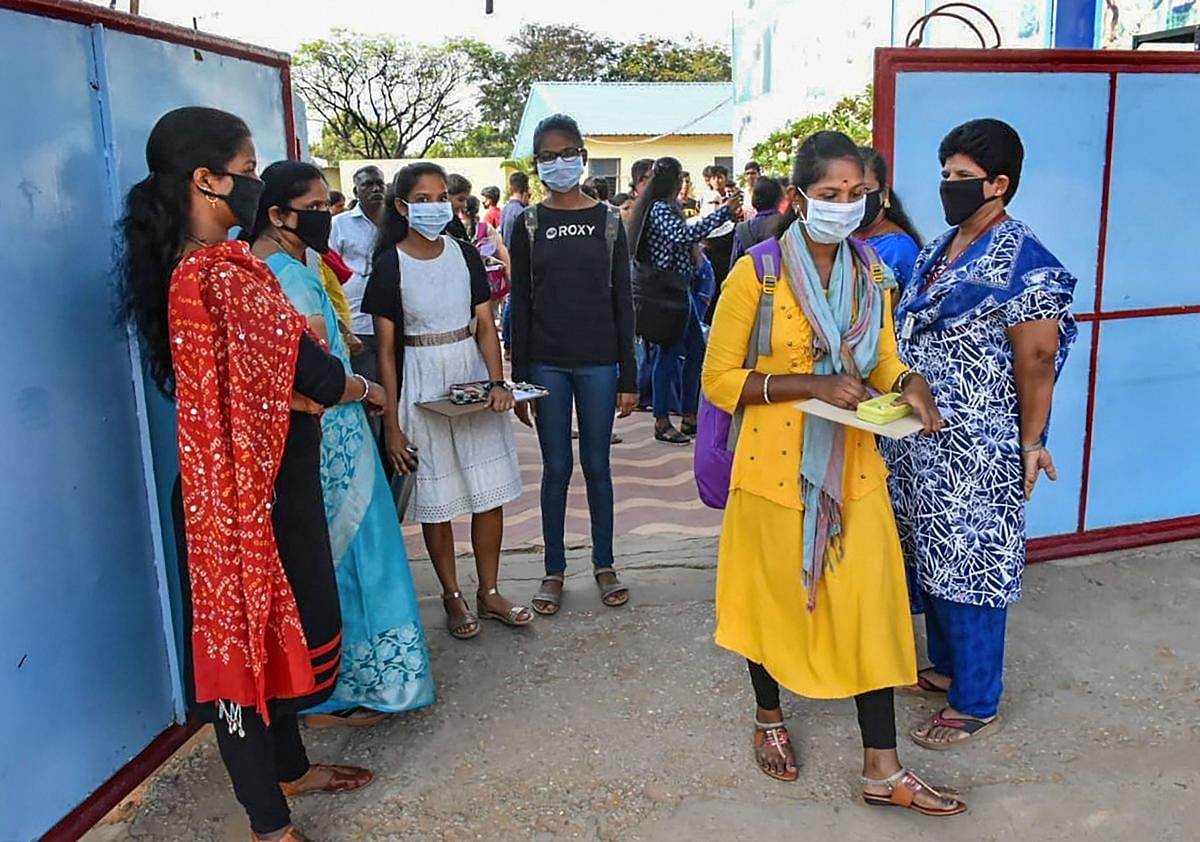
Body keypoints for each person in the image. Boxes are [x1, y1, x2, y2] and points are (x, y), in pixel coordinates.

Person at [119, 107, 387, 842]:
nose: (256, 181)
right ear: (206, 179)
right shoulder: (221, 275)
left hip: (254, 485)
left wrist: (305, 381)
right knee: (242, 649)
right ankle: (270, 826)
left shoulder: (203, 268)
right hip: (245, 499)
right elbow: (317, 376)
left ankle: (290, 768)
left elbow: (278, 374)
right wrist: (360, 389)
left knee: (279, 635)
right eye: (247, 169)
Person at [701, 130, 965, 817]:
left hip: (852, 471)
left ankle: (883, 769)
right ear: (797, 198)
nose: (844, 206)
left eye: (856, 195)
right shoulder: (756, 272)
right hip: (771, 472)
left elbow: (878, 358)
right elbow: (719, 380)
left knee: (871, 614)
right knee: (769, 605)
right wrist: (806, 387)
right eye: (828, 195)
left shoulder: (872, 270)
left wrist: (909, 381)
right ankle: (769, 718)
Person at [887, 119, 1078, 749]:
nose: (949, 187)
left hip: (978, 446)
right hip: (921, 443)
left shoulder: (1026, 260)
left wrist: (1032, 442)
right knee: (931, 558)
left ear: (1000, 184)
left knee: (972, 565)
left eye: (963, 178)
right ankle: (946, 670)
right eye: (945, 175)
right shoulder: (943, 247)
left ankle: (977, 701)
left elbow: (1038, 360)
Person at [247, 160, 435, 727]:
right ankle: (355, 687)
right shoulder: (288, 275)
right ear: (279, 215)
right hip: (331, 436)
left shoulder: (271, 267)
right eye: (317, 207)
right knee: (356, 555)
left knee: (331, 559)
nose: (328, 217)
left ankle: (333, 684)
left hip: (311, 434)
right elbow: (317, 371)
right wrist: (369, 390)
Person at [363, 163, 530, 641]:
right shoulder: (390, 264)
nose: (435, 207)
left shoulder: (463, 254)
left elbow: (484, 325)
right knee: (436, 501)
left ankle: (490, 591)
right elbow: (388, 353)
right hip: (420, 377)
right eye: (422, 198)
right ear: (401, 206)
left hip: (469, 376)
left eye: (442, 198)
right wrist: (393, 423)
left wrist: (497, 383)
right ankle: (453, 596)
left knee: (488, 490)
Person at [507, 114, 638, 616]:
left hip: (601, 364)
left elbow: (623, 302)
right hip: (547, 368)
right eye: (548, 155)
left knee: (598, 466)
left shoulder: (609, 221)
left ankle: (604, 563)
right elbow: (520, 303)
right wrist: (520, 376)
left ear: (583, 157)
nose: (558, 163)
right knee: (556, 467)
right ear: (537, 163)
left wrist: (629, 375)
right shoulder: (528, 222)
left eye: (568, 153)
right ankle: (554, 569)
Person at [627, 157, 741, 444]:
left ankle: (690, 415)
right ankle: (662, 420)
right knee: (668, 353)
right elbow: (682, 235)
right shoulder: (660, 209)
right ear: (672, 180)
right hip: (667, 294)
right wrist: (723, 213)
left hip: (679, 290)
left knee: (695, 351)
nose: (683, 183)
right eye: (680, 177)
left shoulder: (666, 207)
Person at [331, 165, 387, 446]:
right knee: (368, 400)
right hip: (358, 327)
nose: (375, 189)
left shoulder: (394, 222)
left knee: (393, 398)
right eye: (368, 185)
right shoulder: (339, 224)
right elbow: (328, 271)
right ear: (356, 191)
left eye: (379, 184)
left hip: (391, 324)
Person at [855, 147, 923, 292]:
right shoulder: (840, 239)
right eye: (851, 191)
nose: (855, 198)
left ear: (884, 194)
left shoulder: (898, 248)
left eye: (864, 190)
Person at [499, 171, 532, 357]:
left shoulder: (507, 210)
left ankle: (509, 342)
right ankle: (511, 343)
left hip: (509, 262)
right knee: (513, 304)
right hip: (516, 264)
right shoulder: (521, 212)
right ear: (525, 190)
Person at [730, 176, 784, 264]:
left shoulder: (743, 229)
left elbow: (735, 264)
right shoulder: (789, 225)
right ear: (779, 199)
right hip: (783, 276)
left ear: (754, 199)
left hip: (751, 275)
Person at [445, 172, 474, 243]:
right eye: (460, 199)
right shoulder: (437, 226)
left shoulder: (455, 221)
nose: (464, 205)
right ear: (446, 197)